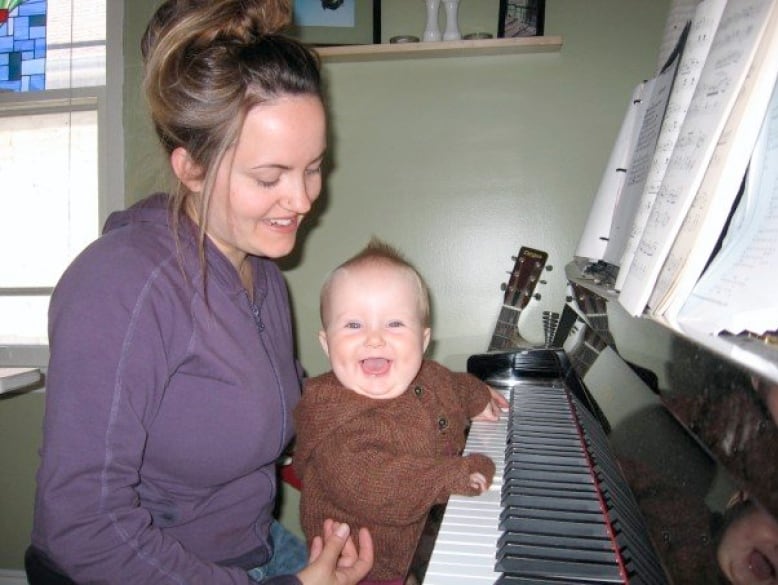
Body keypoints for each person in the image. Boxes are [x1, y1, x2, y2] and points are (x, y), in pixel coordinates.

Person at [24, 1, 373, 584]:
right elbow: (81, 525)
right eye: (270, 177)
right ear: (190, 167)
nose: (304, 199)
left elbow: (286, 402)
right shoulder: (120, 286)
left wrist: (415, 403)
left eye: (313, 167)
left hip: (253, 547)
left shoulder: (262, 275)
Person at [293, 238, 508, 584]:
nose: (375, 339)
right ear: (326, 343)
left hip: (421, 543)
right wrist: (452, 475)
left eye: (394, 324)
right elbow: (380, 485)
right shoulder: (338, 423)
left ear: (423, 342)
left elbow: (453, 384)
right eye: (353, 325)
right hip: (364, 569)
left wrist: (478, 395)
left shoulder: (426, 375)